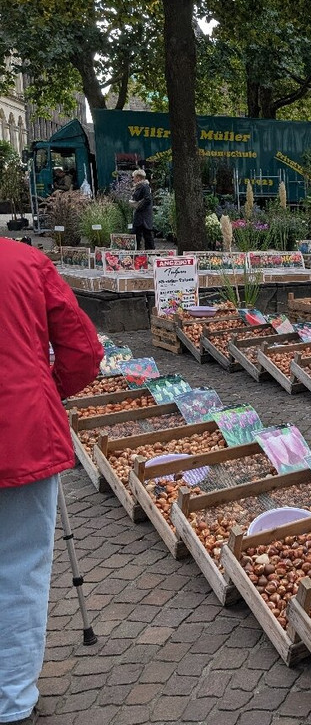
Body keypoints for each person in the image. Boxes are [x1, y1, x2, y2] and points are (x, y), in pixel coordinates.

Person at [0, 238, 103, 725]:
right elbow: (83, 349)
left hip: (21, 432)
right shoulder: (23, 260)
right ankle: (12, 701)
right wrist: (46, 391)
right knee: (20, 571)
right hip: (21, 434)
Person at [129, 170, 154, 250]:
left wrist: (138, 205)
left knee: (145, 236)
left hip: (143, 217)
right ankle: (144, 253)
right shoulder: (139, 186)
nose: (133, 179)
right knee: (141, 236)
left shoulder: (144, 186)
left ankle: (150, 254)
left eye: (134, 177)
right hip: (141, 217)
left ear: (138, 178)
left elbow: (147, 199)